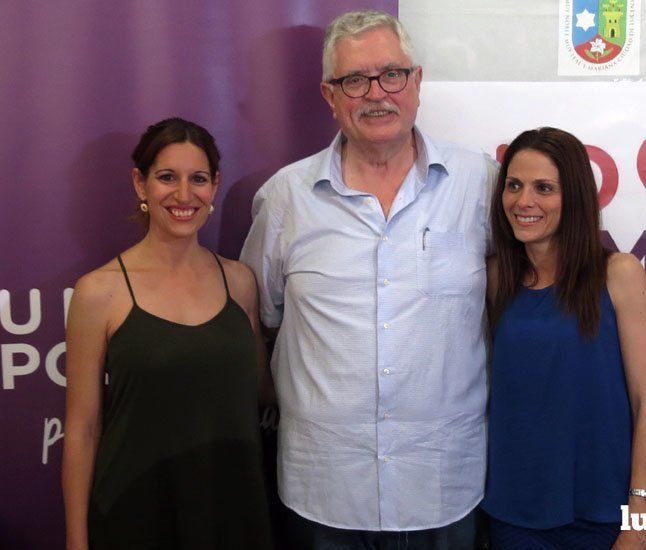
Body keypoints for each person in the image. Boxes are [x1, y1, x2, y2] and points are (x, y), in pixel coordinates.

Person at [239, 9, 497, 549]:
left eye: (391, 74)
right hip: (323, 493)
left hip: (443, 489)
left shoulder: (482, 185)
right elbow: (259, 321)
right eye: (354, 80)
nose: (376, 93)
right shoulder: (285, 198)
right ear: (330, 96)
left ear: (417, 82)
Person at [62, 118, 272, 549]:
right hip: (135, 515)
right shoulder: (98, 291)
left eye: (198, 179)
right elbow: (82, 430)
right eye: (166, 178)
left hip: (234, 513)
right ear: (140, 184)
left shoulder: (240, 282)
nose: (183, 195)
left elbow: (264, 390)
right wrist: (76, 542)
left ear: (214, 186)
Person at [481, 127, 646, 549]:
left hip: (602, 512)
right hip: (514, 511)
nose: (523, 201)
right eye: (514, 185)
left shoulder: (619, 273)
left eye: (544, 188)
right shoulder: (494, 278)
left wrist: (639, 518)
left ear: (575, 197)